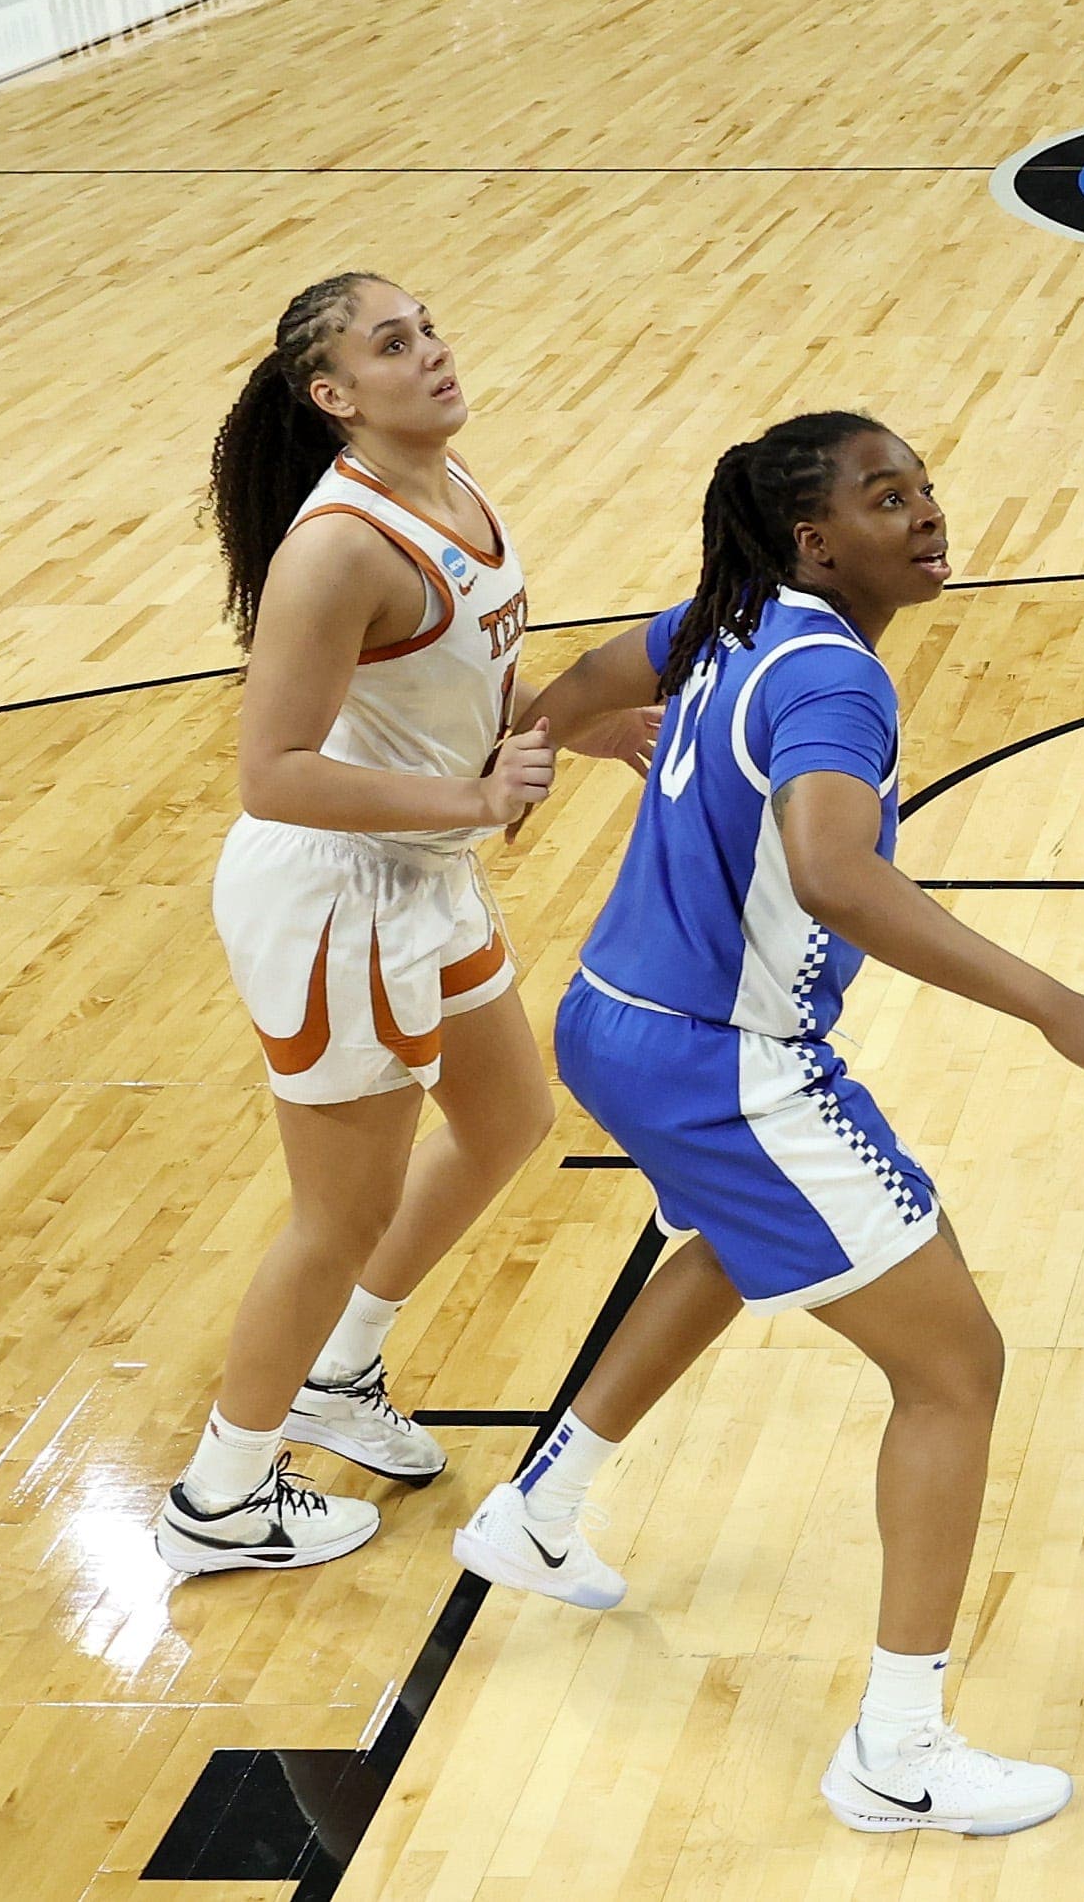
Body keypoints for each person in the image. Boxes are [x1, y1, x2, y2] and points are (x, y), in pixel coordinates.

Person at [461, 413, 1084, 1837]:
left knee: (743, 1246)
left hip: (611, 1018)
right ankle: (895, 1752)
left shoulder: (732, 613)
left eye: (923, 488)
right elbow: (838, 875)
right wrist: (1053, 1003)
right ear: (816, 538)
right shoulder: (832, 680)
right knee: (955, 1362)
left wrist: (547, 743)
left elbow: (614, 669)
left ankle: (542, 1503)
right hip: (720, 1062)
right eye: (885, 497)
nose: (923, 515)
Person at [163, 274, 649, 1577]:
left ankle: (339, 1370)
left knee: (506, 1117)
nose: (430, 354)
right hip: (334, 898)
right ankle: (219, 1498)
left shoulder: (454, 489)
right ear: (333, 396)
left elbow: (464, 691)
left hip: (416, 875)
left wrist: (584, 730)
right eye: (393, 345)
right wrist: (476, 796)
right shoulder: (334, 549)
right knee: (338, 1212)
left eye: (427, 328)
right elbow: (272, 768)